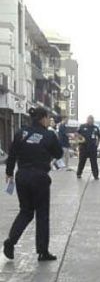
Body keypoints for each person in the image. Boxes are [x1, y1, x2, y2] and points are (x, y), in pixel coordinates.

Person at [3, 106, 63, 262]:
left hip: (22, 176)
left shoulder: (20, 133)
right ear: (43, 118)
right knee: (42, 215)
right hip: (40, 178)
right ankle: (43, 252)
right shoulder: (49, 135)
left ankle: (10, 242)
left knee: (26, 211)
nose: (49, 120)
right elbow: (59, 154)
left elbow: (12, 154)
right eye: (48, 117)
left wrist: (9, 173)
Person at [76, 115, 100, 179]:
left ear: (93, 120)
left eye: (92, 119)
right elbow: (76, 133)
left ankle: (96, 175)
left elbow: (99, 136)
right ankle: (79, 173)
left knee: (94, 162)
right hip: (83, 147)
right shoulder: (82, 126)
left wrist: (97, 144)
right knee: (82, 161)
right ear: (87, 120)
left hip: (92, 148)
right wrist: (81, 137)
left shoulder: (96, 128)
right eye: (89, 119)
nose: (90, 121)